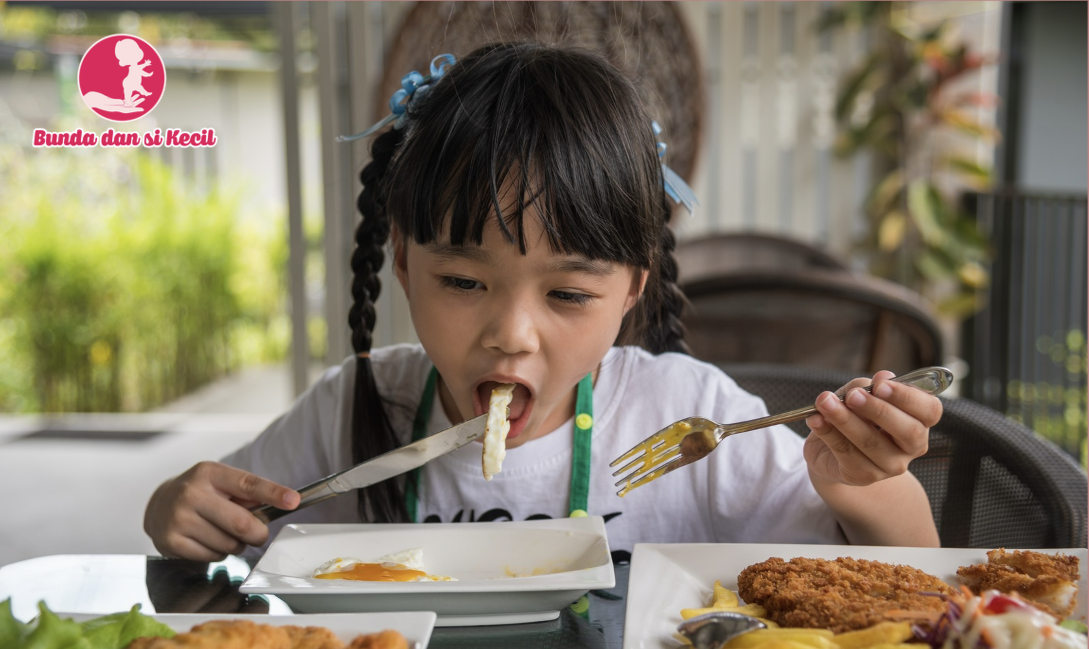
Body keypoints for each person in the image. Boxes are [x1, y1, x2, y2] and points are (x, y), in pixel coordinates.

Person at [144, 42, 943, 563]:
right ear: (399, 260)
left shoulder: (688, 417)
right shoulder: (349, 411)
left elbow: (898, 577)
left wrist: (865, 485)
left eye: (566, 292)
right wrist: (174, 512)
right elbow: (209, 534)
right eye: (462, 282)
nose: (511, 334)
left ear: (631, 287)